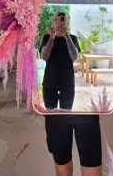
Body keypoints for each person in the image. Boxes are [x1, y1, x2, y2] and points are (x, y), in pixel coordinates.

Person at [40, 12, 102, 176]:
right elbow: (44, 56)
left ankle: (63, 143)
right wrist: (52, 38)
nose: (60, 23)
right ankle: (54, 141)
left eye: (63, 20)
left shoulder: (72, 38)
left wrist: (66, 36)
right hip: (50, 82)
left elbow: (74, 57)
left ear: (67, 22)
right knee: (51, 116)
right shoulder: (46, 37)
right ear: (54, 21)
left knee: (66, 112)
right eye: (58, 20)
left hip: (67, 81)